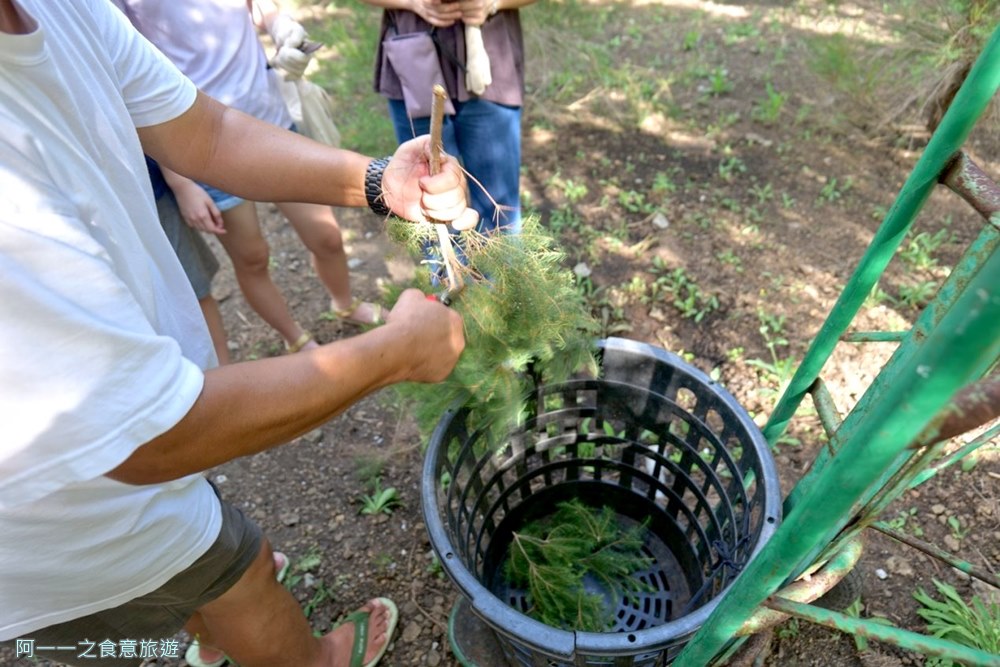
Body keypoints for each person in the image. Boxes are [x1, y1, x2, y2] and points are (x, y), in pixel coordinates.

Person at [0, 3, 476, 667]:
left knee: (195, 591)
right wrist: (395, 352)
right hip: (56, 521)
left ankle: (204, 635)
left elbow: (210, 133)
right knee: (243, 572)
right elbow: (152, 434)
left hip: (114, 454)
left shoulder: (61, 7)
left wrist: (379, 182)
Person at [115, 0, 381, 356]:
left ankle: (344, 303)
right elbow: (131, 86)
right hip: (197, 147)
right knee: (253, 257)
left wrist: (281, 28)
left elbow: (259, 8)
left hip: (270, 123)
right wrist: (180, 182)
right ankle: (296, 339)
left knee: (327, 236)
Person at [362, 0, 536, 237]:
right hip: (414, 57)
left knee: (499, 208)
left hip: (489, 60)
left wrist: (492, 3)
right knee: (428, 203)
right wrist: (413, 3)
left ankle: (504, 272)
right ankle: (447, 272)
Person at [147, 156, 232, 365]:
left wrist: (180, 183)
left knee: (193, 289)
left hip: (148, 192)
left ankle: (224, 371)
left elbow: (142, 123)